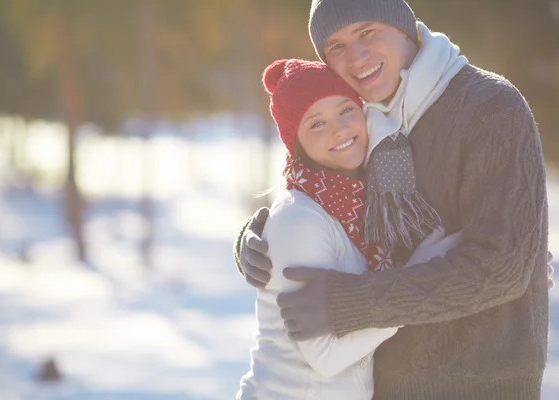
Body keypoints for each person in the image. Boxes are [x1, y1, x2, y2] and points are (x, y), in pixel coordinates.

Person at [234, 0, 550, 398]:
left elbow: (501, 268)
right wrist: (260, 241)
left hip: (477, 384)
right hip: (386, 384)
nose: (356, 56)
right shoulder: (367, 121)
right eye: (336, 46)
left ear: (404, 28)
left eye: (368, 32)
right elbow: (328, 203)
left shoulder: (489, 107)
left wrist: (358, 303)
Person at [237, 58, 460, 400]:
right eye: (317, 124)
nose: (339, 129)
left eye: (345, 110)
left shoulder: (369, 203)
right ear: (296, 143)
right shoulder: (301, 220)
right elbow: (327, 356)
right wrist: (415, 278)